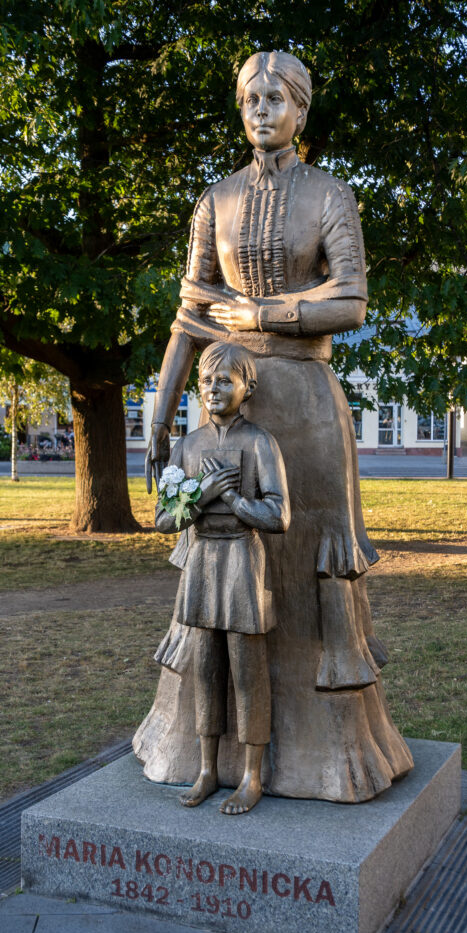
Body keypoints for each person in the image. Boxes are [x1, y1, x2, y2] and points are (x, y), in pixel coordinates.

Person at [135, 51, 413, 803]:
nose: (259, 110)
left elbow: (350, 300)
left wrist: (264, 313)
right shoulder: (213, 201)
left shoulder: (330, 195)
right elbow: (190, 316)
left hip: (305, 403)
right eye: (248, 98)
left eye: (274, 99)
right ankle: (199, 748)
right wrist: (158, 418)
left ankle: (329, 754)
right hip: (222, 402)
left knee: (309, 566)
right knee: (214, 565)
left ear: (300, 110)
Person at [155, 341, 290, 814]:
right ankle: (208, 768)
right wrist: (201, 494)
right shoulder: (187, 446)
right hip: (201, 564)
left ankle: (252, 774)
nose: (214, 389)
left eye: (225, 380)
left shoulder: (259, 442)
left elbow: (279, 515)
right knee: (205, 668)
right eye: (207, 380)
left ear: (246, 387)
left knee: (247, 670)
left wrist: (234, 503)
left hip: (241, 564)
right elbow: (163, 519)